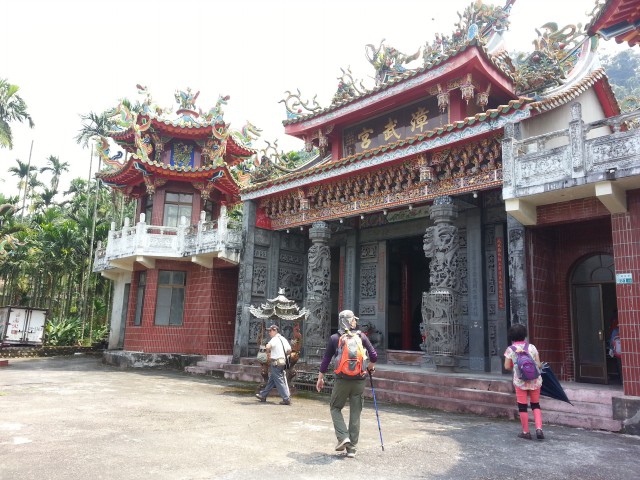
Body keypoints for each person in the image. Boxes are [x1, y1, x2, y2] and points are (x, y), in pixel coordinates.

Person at [316, 310, 378, 458]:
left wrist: (320, 378)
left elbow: (326, 360)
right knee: (355, 412)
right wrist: (370, 367)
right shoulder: (361, 336)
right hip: (359, 380)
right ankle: (352, 449)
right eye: (354, 320)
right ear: (349, 321)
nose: (355, 322)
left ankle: (343, 437)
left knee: (335, 408)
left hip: (342, 380)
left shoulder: (334, 338)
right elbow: (374, 355)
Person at [504, 323, 544, 440]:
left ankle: (526, 432)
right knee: (535, 404)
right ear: (524, 335)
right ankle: (539, 429)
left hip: (520, 382)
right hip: (535, 380)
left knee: (522, 406)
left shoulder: (510, 350)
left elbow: (506, 366)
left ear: (511, 336)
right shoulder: (532, 347)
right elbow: (538, 365)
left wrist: (517, 368)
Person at [255, 325, 292, 405]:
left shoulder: (275, 339)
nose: (269, 333)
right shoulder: (283, 339)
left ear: (275, 330)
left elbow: (268, 346)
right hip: (282, 362)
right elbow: (289, 350)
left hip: (276, 363)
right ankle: (263, 395)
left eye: (270, 331)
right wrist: (282, 355)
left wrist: (267, 350)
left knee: (279, 381)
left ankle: (286, 398)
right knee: (271, 381)